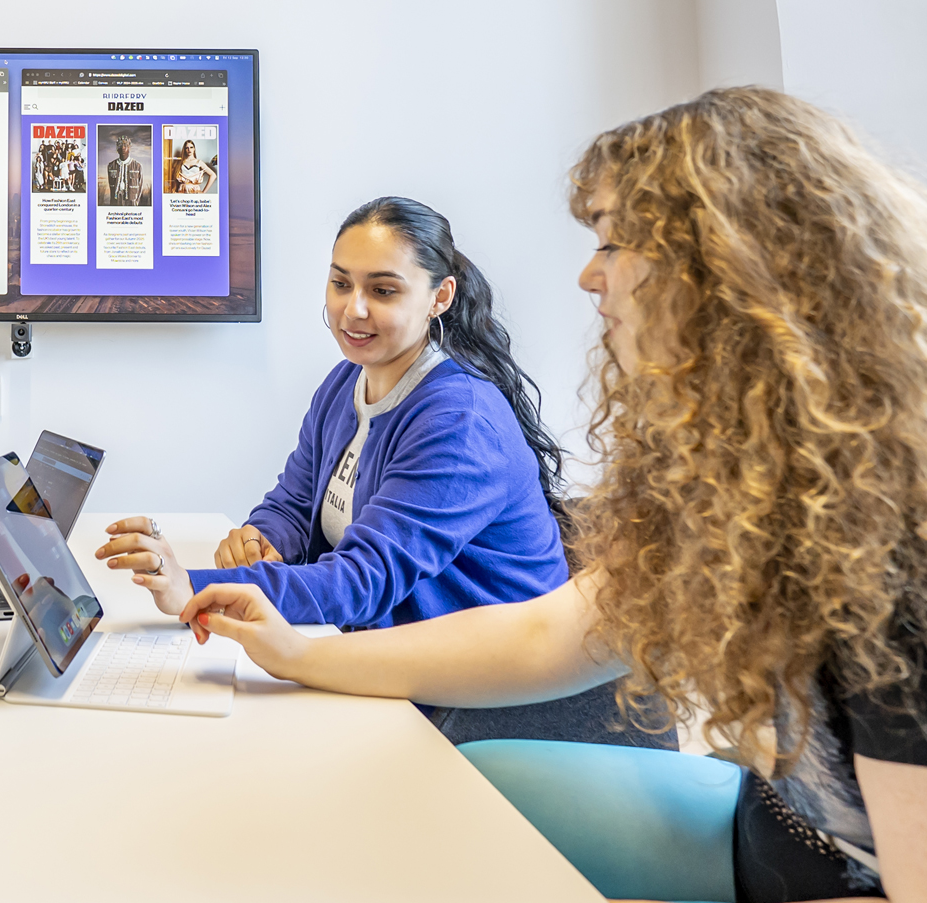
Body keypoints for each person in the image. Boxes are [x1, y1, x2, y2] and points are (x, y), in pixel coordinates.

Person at [182, 88, 927, 903]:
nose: (587, 275)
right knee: (404, 814)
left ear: (728, 266)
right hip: (764, 824)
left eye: (611, 244)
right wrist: (302, 653)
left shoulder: (919, 541)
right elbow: (548, 633)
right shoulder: (739, 466)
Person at [100, 196, 658, 748]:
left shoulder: (457, 420)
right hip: (397, 667)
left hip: (491, 710)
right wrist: (263, 538)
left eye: (382, 290)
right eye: (341, 284)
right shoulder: (347, 382)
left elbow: (362, 580)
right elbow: (295, 500)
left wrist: (191, 588)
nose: (353, 309)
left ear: (440, 297)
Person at [105, 135, 145, 206]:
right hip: (116, 201)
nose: (123, 148)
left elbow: (140, 185)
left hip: (131, 201)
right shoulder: (111, 166)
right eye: (120, 145)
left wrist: (136, 202)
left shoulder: (137, 166)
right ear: (117, 149)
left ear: (129, 148)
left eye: (125, 145)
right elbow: (111, 187)